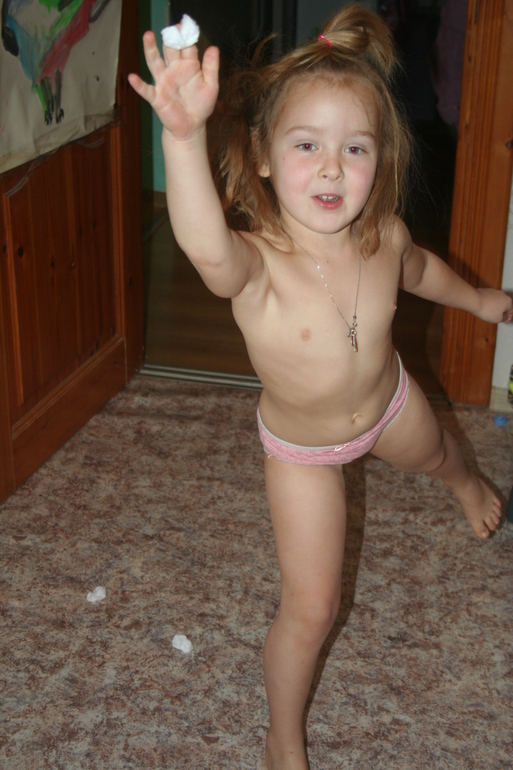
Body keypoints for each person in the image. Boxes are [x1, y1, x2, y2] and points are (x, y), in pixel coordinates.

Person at [129, 7, 513, 768]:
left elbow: (422, 272)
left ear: (381, 159)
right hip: (302, 453)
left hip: (390, 404)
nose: (332, 168)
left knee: (440, 454)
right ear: (264, 157)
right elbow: (205, 247)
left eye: (354, 148)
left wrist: (477, 300)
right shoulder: (256, 265)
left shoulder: (384, 235)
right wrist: (182, 138)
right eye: (307, 145)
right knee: (312, 610)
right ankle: (282, 737)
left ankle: (466, 485)